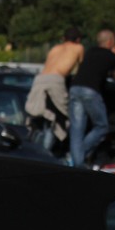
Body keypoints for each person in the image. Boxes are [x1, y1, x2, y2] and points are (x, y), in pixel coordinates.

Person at [25, 27, 84, 155]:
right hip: (56, 80)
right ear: (78, 39)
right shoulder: (78, 48)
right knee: (59, 118)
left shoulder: (55, 48)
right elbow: (81, 69)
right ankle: (46, 153)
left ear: (64, 38)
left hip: (40, 79)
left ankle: (35, 148)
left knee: (42, 117)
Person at [68, 28, 115, 168]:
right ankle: (79, 157)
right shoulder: (111, 56)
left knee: (77, 129)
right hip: (90, 91)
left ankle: (75, 160)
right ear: (110, 42)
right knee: (102, 126)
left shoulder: (90, 52)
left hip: (74, 88)